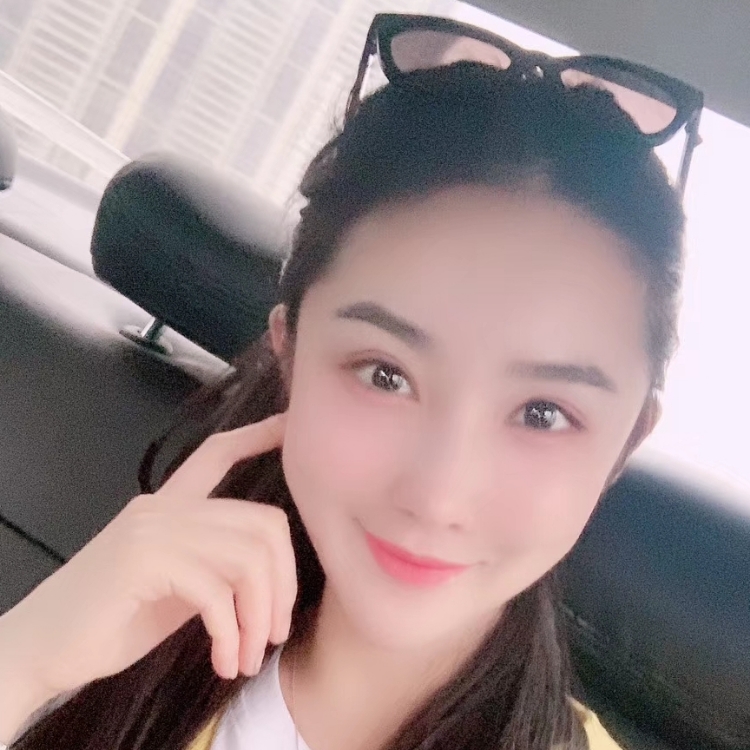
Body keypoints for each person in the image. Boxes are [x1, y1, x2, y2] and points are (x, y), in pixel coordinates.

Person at [0, 13, 689, 750]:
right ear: (290, 353)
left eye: (543, 413)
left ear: (626, 441)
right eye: (385, 375)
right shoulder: (110, 640)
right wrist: (25, 659)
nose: (439, 496)